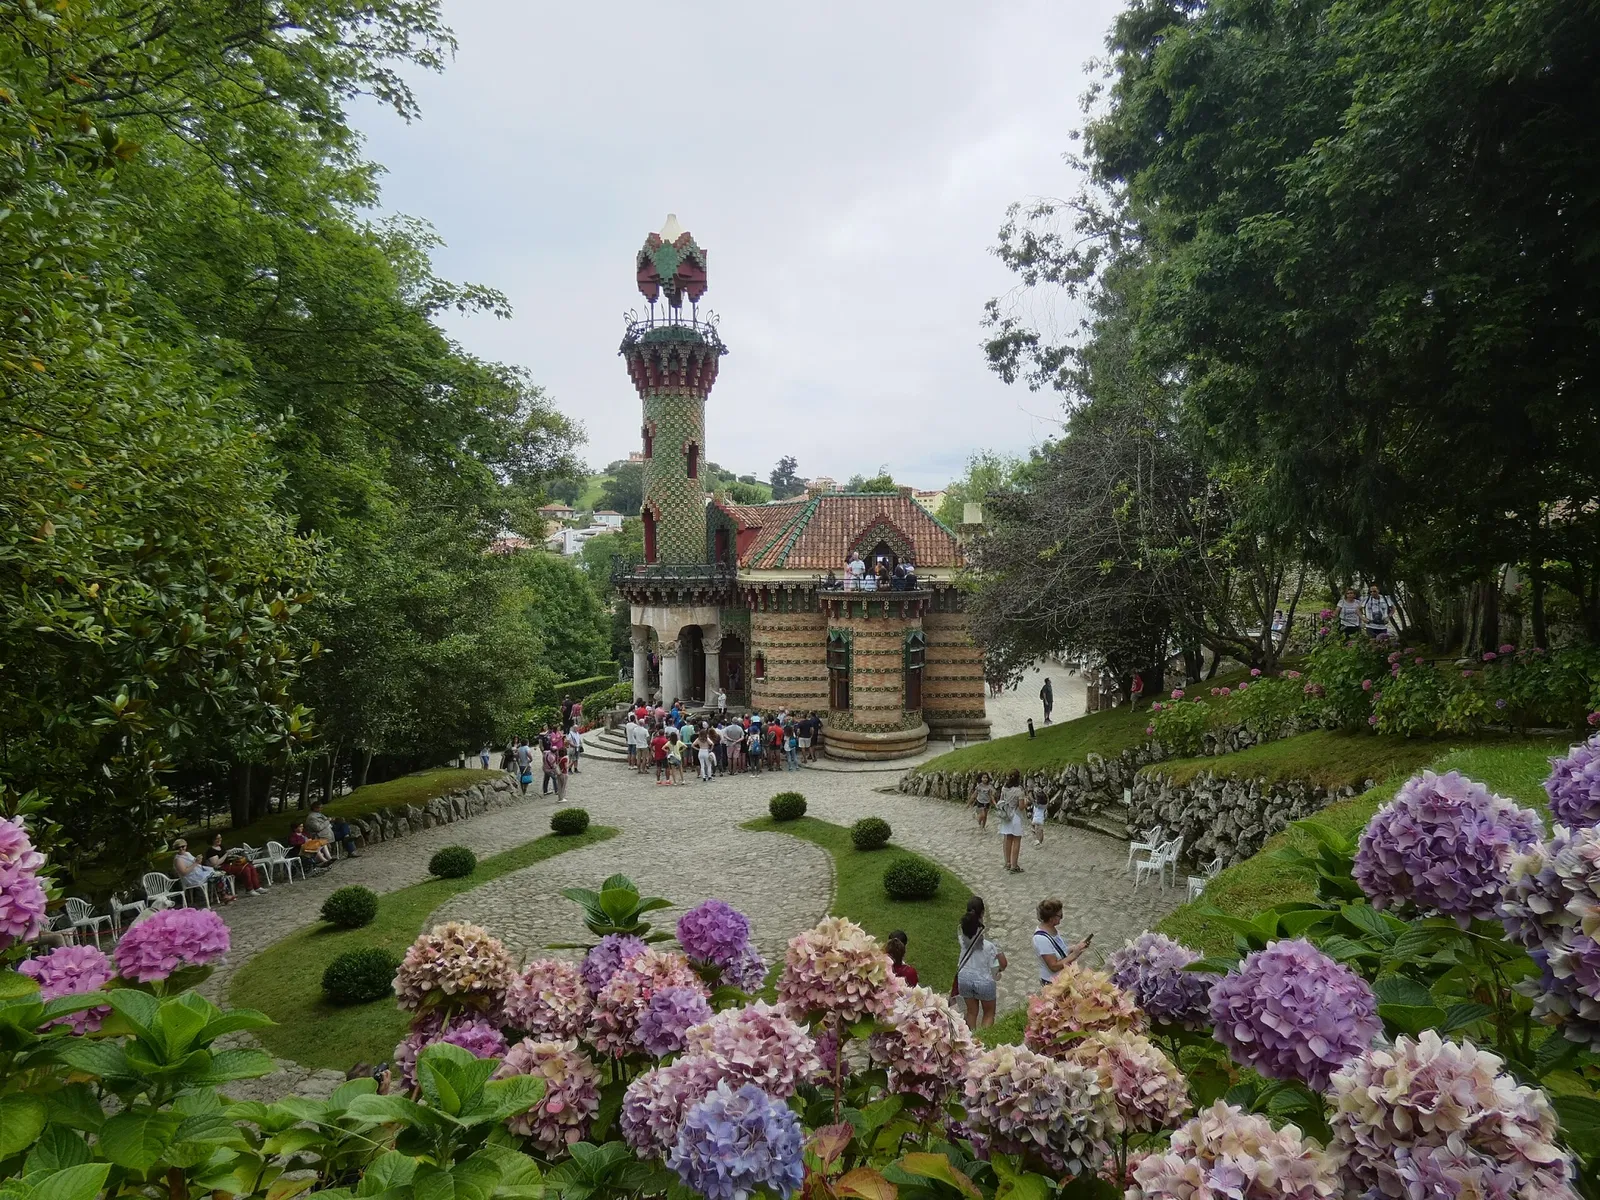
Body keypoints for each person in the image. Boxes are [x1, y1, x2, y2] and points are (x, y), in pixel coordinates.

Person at [955, 897, 1006, 1029]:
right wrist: (997, 970)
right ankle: (983, 1039)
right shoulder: (990, 942)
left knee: (971, 1012)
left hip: (964, 978)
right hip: (984, 981)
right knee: (989, 1014)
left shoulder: (961, 934)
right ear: (983, 913)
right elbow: (1002, 963)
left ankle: (971, 1039)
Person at [1032, 899, 1090, 984]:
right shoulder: (1041, 939)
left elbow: (1060, 951)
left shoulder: (1051, 929)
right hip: (1053, 983)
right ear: (1051, 918)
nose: (1062, 918)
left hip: (1064, 977)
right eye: (1060, 915)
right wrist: (1074, 954)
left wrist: (1076, 947)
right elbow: (1054, 966)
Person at [172, 839, 234, 904]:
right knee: (218, 877)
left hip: (199, 874)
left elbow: (196, 864)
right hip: (192, 878)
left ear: (186, 846)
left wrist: (198, 860)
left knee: (220, 874)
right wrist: (196, 863)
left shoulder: (187, 854)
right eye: (178, 848)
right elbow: (184, 873)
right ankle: (224, 896)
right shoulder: (178, 859)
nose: (181, 849)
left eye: (183, 846)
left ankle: (224, 895)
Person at [998, 770, 1026, 872]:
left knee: (1007, 839)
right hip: (1016, 816)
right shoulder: (1019, 790)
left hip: (1006, 816)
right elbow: (1021, 806)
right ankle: (1014, 865)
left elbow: (1001, 801)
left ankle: (1007, 863)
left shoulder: (1004, 788)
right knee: (1016, 840)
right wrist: (1027, 802)